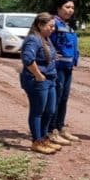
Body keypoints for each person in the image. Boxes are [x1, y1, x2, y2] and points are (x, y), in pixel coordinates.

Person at [20, 12, 60, 154]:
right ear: (40, 25)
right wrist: (38, 74)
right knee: (38, 111)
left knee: (50, 110)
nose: (53, 29)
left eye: (53, 26)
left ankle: (44, 138)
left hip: (50, 79)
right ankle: (37, 141)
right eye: (50, 26)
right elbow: (28, 59)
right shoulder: (33, 39)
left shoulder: (45, 38)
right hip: (37, 80)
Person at [47, 0, 80, 145]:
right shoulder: (53, 23)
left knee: (64, 98)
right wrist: (52, 55)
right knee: (56, 98)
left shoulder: (68, 25)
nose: (70, 10)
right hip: (57, 67)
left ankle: (60, 127)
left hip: (68, 67)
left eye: (72, 7)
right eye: (67, 7)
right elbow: (44, 41)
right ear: (58, 8)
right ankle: (51, 130)